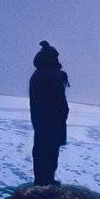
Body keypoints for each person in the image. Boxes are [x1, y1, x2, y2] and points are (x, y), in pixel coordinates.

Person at [28, 40, 69, 186]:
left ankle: (42, 179)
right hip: (52, 118)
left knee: (40, 148)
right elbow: (59, 99)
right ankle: (47, 179)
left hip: (40, 118)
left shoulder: (37, 74)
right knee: (50, 149)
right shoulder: (53, 74)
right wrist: (64, 112)